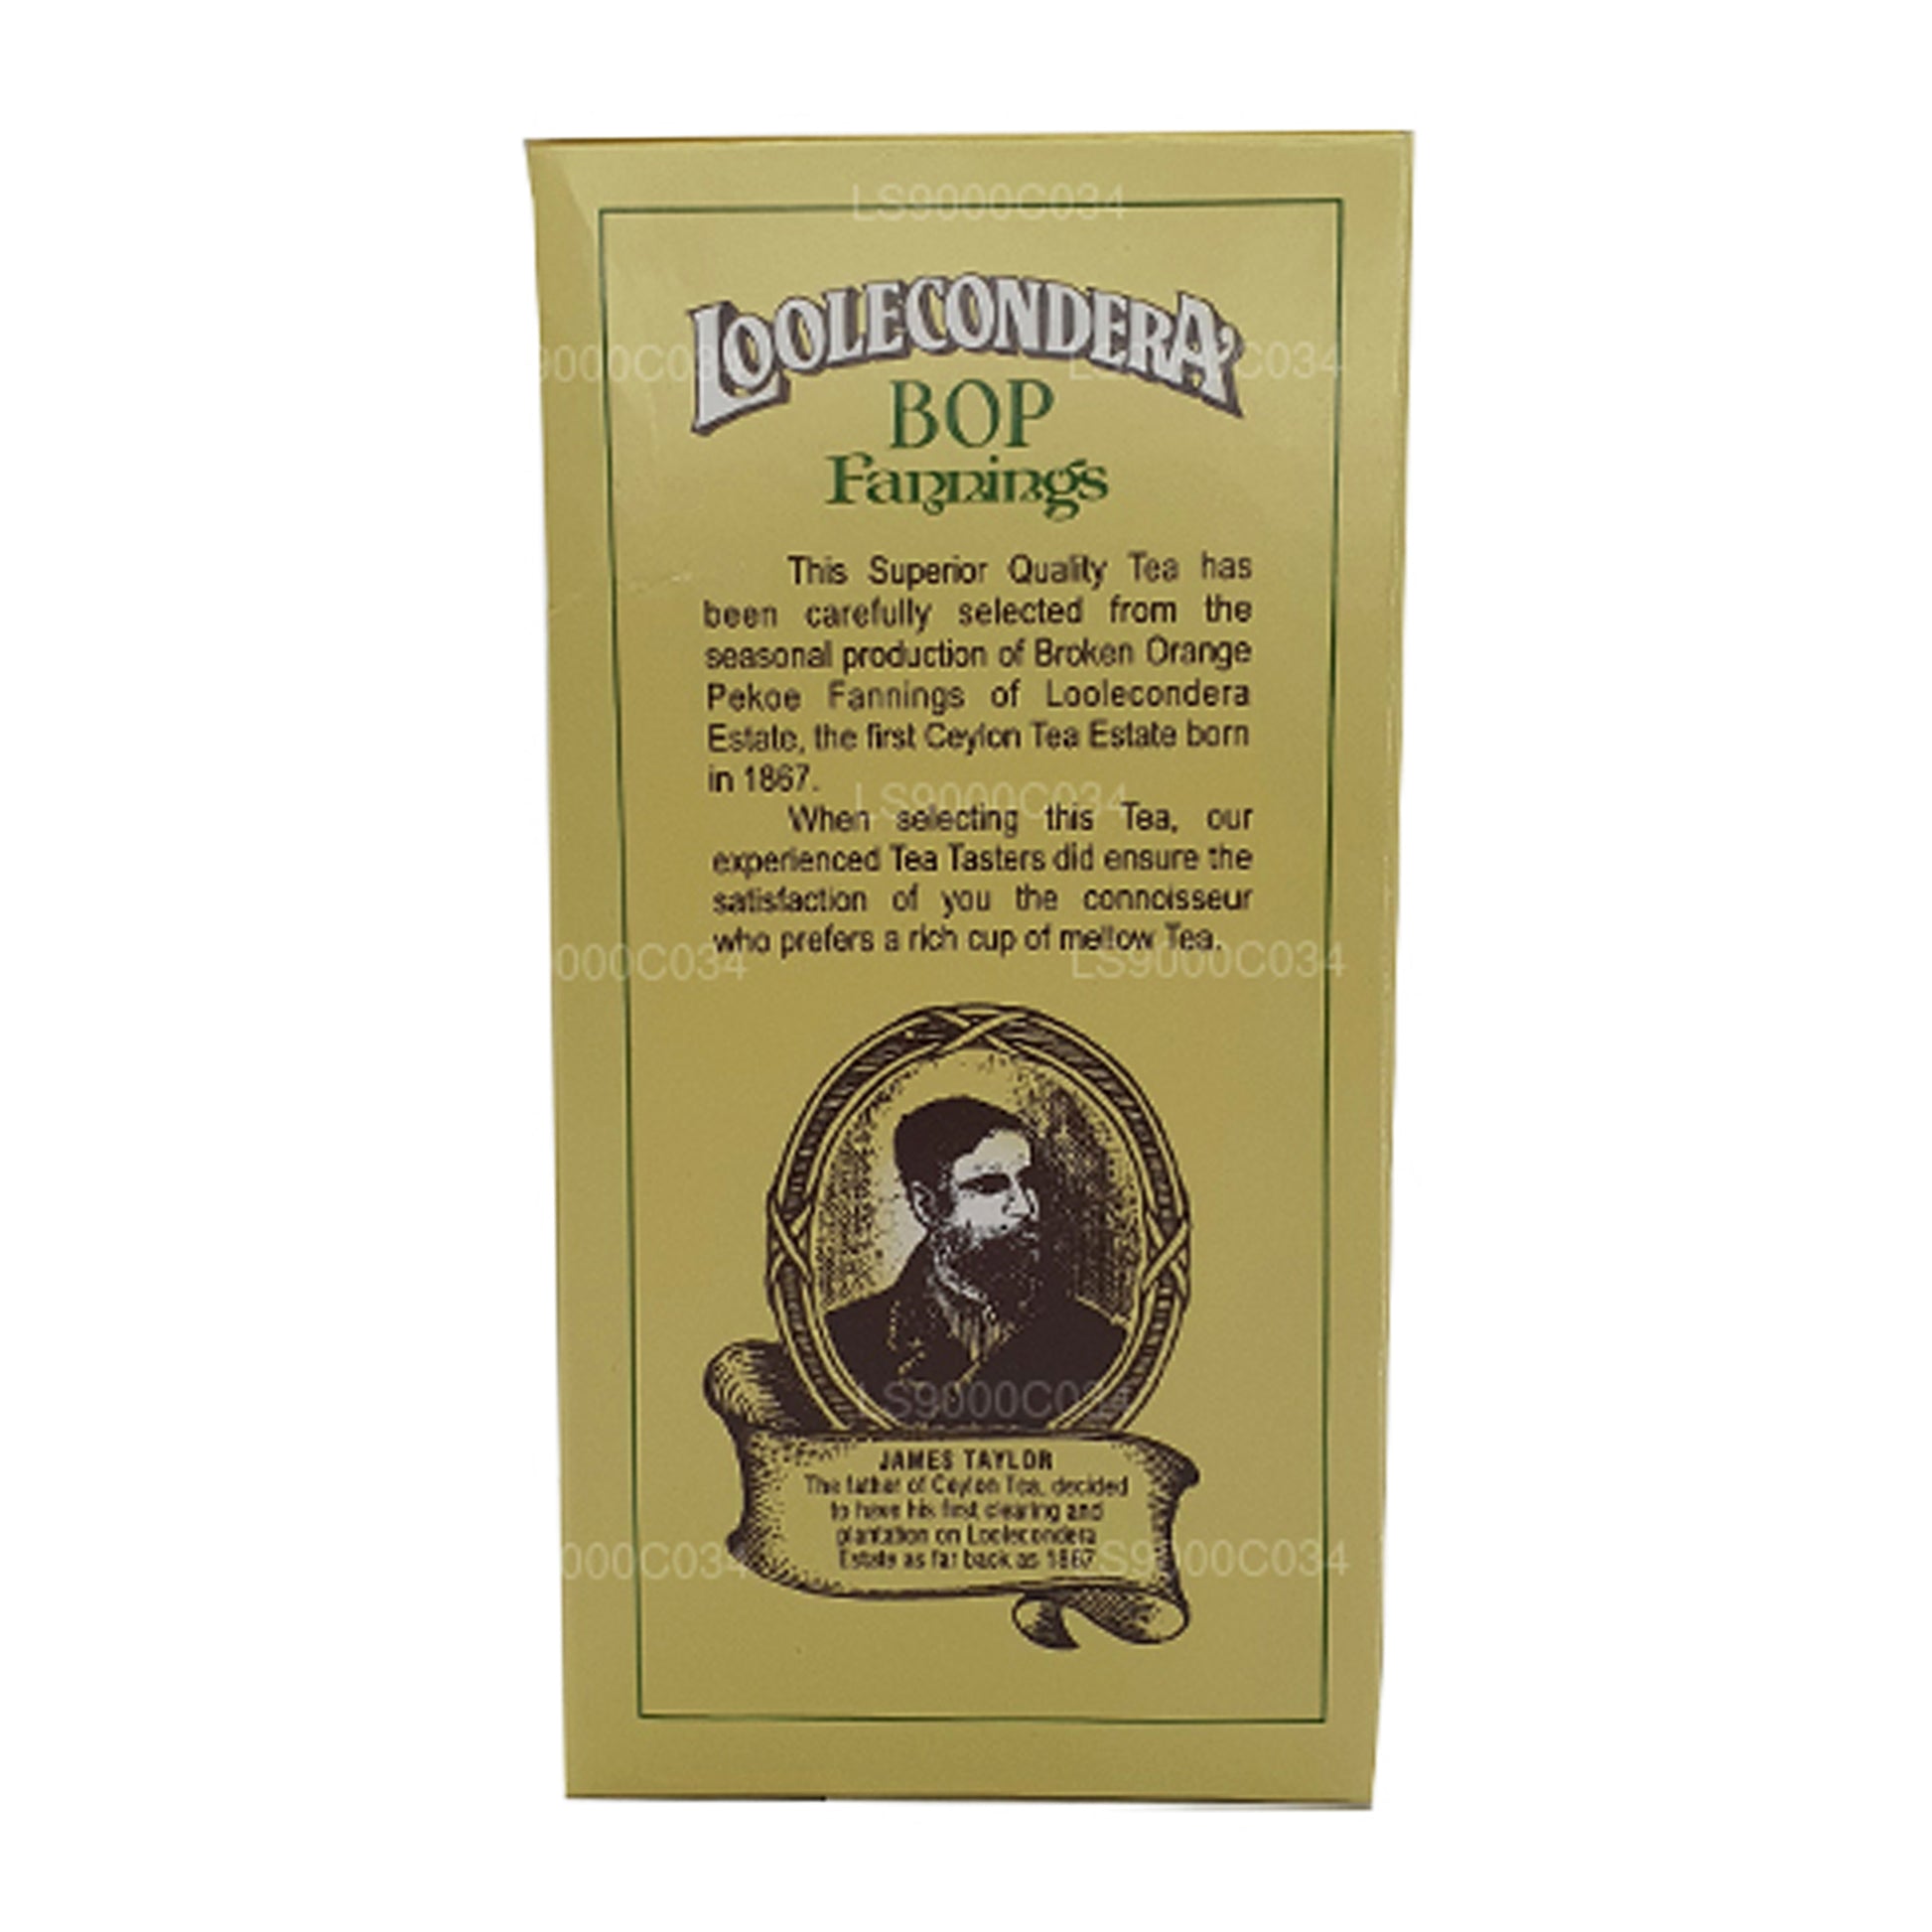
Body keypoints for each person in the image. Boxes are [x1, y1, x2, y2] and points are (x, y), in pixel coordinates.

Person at [827, 1096, 1124, 1430]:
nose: (1025, 1207)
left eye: (1027, 1182)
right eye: (989, 1187)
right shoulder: (845, 1343)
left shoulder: (1096, 1342)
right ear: (927, 1207)